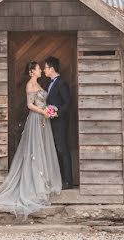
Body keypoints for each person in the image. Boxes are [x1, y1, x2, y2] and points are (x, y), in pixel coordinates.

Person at [0, 61, 62, 217]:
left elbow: (41, 101)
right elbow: (29, 105)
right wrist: (43, 111)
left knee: (43, 148)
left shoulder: (39, 84)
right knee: (35, 150)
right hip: (35, 119)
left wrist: (49, 110)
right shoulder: (30, 85)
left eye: (41, 68)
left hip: (43, 120)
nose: (41, 70)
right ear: (32, 71)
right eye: (39, 68)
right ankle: (34, 185)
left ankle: (43, 183)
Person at [43, 56, 73, 189]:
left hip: (60, 122)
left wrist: (57, 113)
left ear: (52, 68)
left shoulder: (61, 83)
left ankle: (68, 181)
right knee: (56, 149)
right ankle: (59, 179)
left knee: (63, 150)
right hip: (53, 123)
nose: (44, 70)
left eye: (45, 68)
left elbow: (67, 102)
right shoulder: (51, 83)